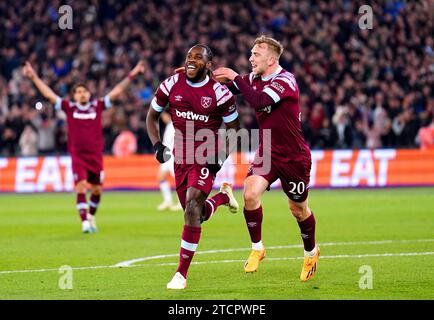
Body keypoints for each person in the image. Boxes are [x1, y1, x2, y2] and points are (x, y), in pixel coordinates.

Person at [214, 35, 320, 282]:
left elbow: (259, 101)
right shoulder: (253, 79)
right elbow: (223, 89)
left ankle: (311, 252)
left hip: (294, 156)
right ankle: (257, 248)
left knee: (298, 209)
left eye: (256, 54)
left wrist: (233, 76)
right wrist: (196, 79)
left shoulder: (286, 81)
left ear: (271, 59)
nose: (251, 58)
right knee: (250, 195)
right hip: (268, 150)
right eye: (251, 53)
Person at [146, 44, 240, 289]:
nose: (191, 60)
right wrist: (156, 144)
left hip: (206, 156)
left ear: (209, 64)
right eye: (189, 56)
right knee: (196, 214)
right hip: (180, 158)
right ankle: (221, 198)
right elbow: (151, 115)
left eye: (198, 57)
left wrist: (219, 158)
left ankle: (181, 274)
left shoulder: (220, 94)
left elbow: (234, 131)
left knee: (191, 207)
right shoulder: (171, 84)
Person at [22, 60, 145, 233]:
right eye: (78, 92)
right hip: (78, 155)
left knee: (96, 190)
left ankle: (91, 216)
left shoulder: (97, 106)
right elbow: (49, 95)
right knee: (80, 186)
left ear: (89, 94)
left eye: (84, 91)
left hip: (95, 155)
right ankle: (84, 222)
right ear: (74, 96)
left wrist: (133, 73)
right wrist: (33, 76)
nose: (82, 94)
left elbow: (117, 91)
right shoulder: (69, 107)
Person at [156, 111, 182, 211]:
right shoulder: (170, 125)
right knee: (161, 176)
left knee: (179, 180)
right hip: (167, 156)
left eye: (164, 116)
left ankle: (181, 202)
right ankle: (168, 201)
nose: (163, 118)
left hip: (173, 156)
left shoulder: (174, 125)